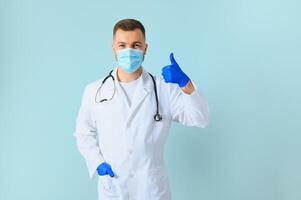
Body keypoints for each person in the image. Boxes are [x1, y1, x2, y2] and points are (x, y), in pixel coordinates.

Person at [73, 18, 210, 200]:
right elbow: (83, 132)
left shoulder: (164, 90)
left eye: (135, 45)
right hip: (114, 186)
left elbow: (201, 119)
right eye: (122, 45)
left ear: (145, 48)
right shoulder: (95, 91)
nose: (129, 51)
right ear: (113, 48)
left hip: (151, 189)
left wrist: (186, 85)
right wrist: (97, 162)